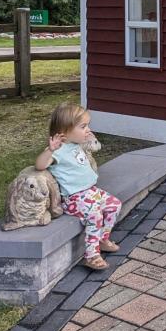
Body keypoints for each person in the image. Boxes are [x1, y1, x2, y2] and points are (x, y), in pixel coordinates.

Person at [35, 103, 121, 270]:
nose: (88, 129)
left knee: (114, 204)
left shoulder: (76, 145)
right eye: (83, 126)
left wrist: (86, 136)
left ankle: (103, 238)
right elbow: (40, 165)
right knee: (95, 216)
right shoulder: (57, 151)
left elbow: (94, 145)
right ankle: (92, 255)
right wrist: (50, 150)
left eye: (87, 125)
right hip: (74, 198)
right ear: (64, 132)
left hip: (91, 192)